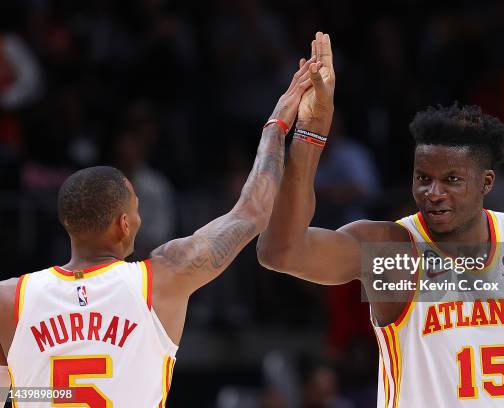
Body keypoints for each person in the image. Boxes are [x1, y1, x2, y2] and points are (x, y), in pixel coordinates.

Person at [257, 32, 504, 407]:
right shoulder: (392, 252)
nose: (432, 192)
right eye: (423, 178)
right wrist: (310, 135)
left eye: (451, 180)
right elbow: (280, 253)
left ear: (486, 182)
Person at [0, 50, 320, 407]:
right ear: (124, 224)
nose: (139, 219)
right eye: (136, 209)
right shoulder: (164, 277)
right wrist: (277, 124)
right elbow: (253, 211)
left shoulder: (10, 298)